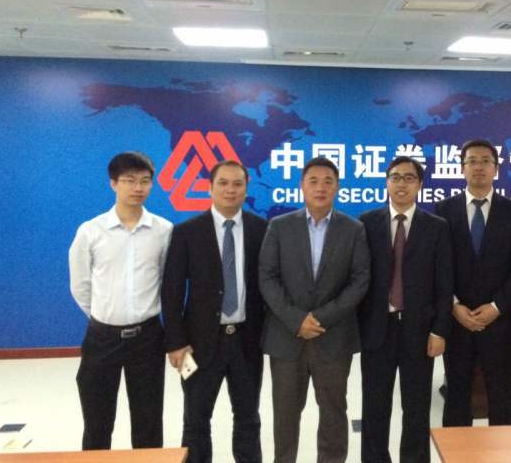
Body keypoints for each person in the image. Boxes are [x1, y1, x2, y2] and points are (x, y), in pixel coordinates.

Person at [259, 157, 370, 463]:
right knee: (285, 413)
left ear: (337, 187)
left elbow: (360, 281)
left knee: (333, 412)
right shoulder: (279, 226)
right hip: (287, 336)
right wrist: (297, 320)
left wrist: (320, 318)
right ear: (302, 186)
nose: (321, 187)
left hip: (333, 336)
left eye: (328, 181)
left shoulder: (353, 229)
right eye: (313, 181)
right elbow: (267, 277)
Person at [161, 160, 268, 463]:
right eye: (223, 183)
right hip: (199, 343)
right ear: (210, 188)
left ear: (246, 188)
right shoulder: (187, 232)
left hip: (247, 340)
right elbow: (171, 291)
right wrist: (175, 342)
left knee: (248, 418)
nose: (230, 190)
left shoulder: (262, 229)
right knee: (196, 420)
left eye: (237, 184)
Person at [69, 151, 172, 450]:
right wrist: (104, 316)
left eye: (145, 181)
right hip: (102, 338)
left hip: (148, 338)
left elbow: (166, 282)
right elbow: (80, 285)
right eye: (129, 180)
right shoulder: (91, 231)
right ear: (113, 183)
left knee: (149, 421)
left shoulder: (163, 231)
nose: (138, 187)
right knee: (97, 423)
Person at [358, 156, 453, 463]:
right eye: (396, 177)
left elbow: (444, 284)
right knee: (375, 406)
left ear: (420, 184)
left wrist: (440, 330)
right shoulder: (366, 223)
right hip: (377, 329)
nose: (401, 184)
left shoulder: (436, 227)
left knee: (416, 406)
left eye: (409, 178)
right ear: (386, 183)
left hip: (419, 331)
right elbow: (358, 279)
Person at [434, 139, 511, 427]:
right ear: (462, 168)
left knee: (502, 394)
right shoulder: (443, 210)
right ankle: (457, 450)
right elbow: (438, 266)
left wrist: (497, 306)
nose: (479, 167)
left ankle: (503, 450)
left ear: (496, 169)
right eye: (472, 161)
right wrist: (454, 306)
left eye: (486, 161)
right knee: (457, 394)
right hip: (457, 320)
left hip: (499, 321)